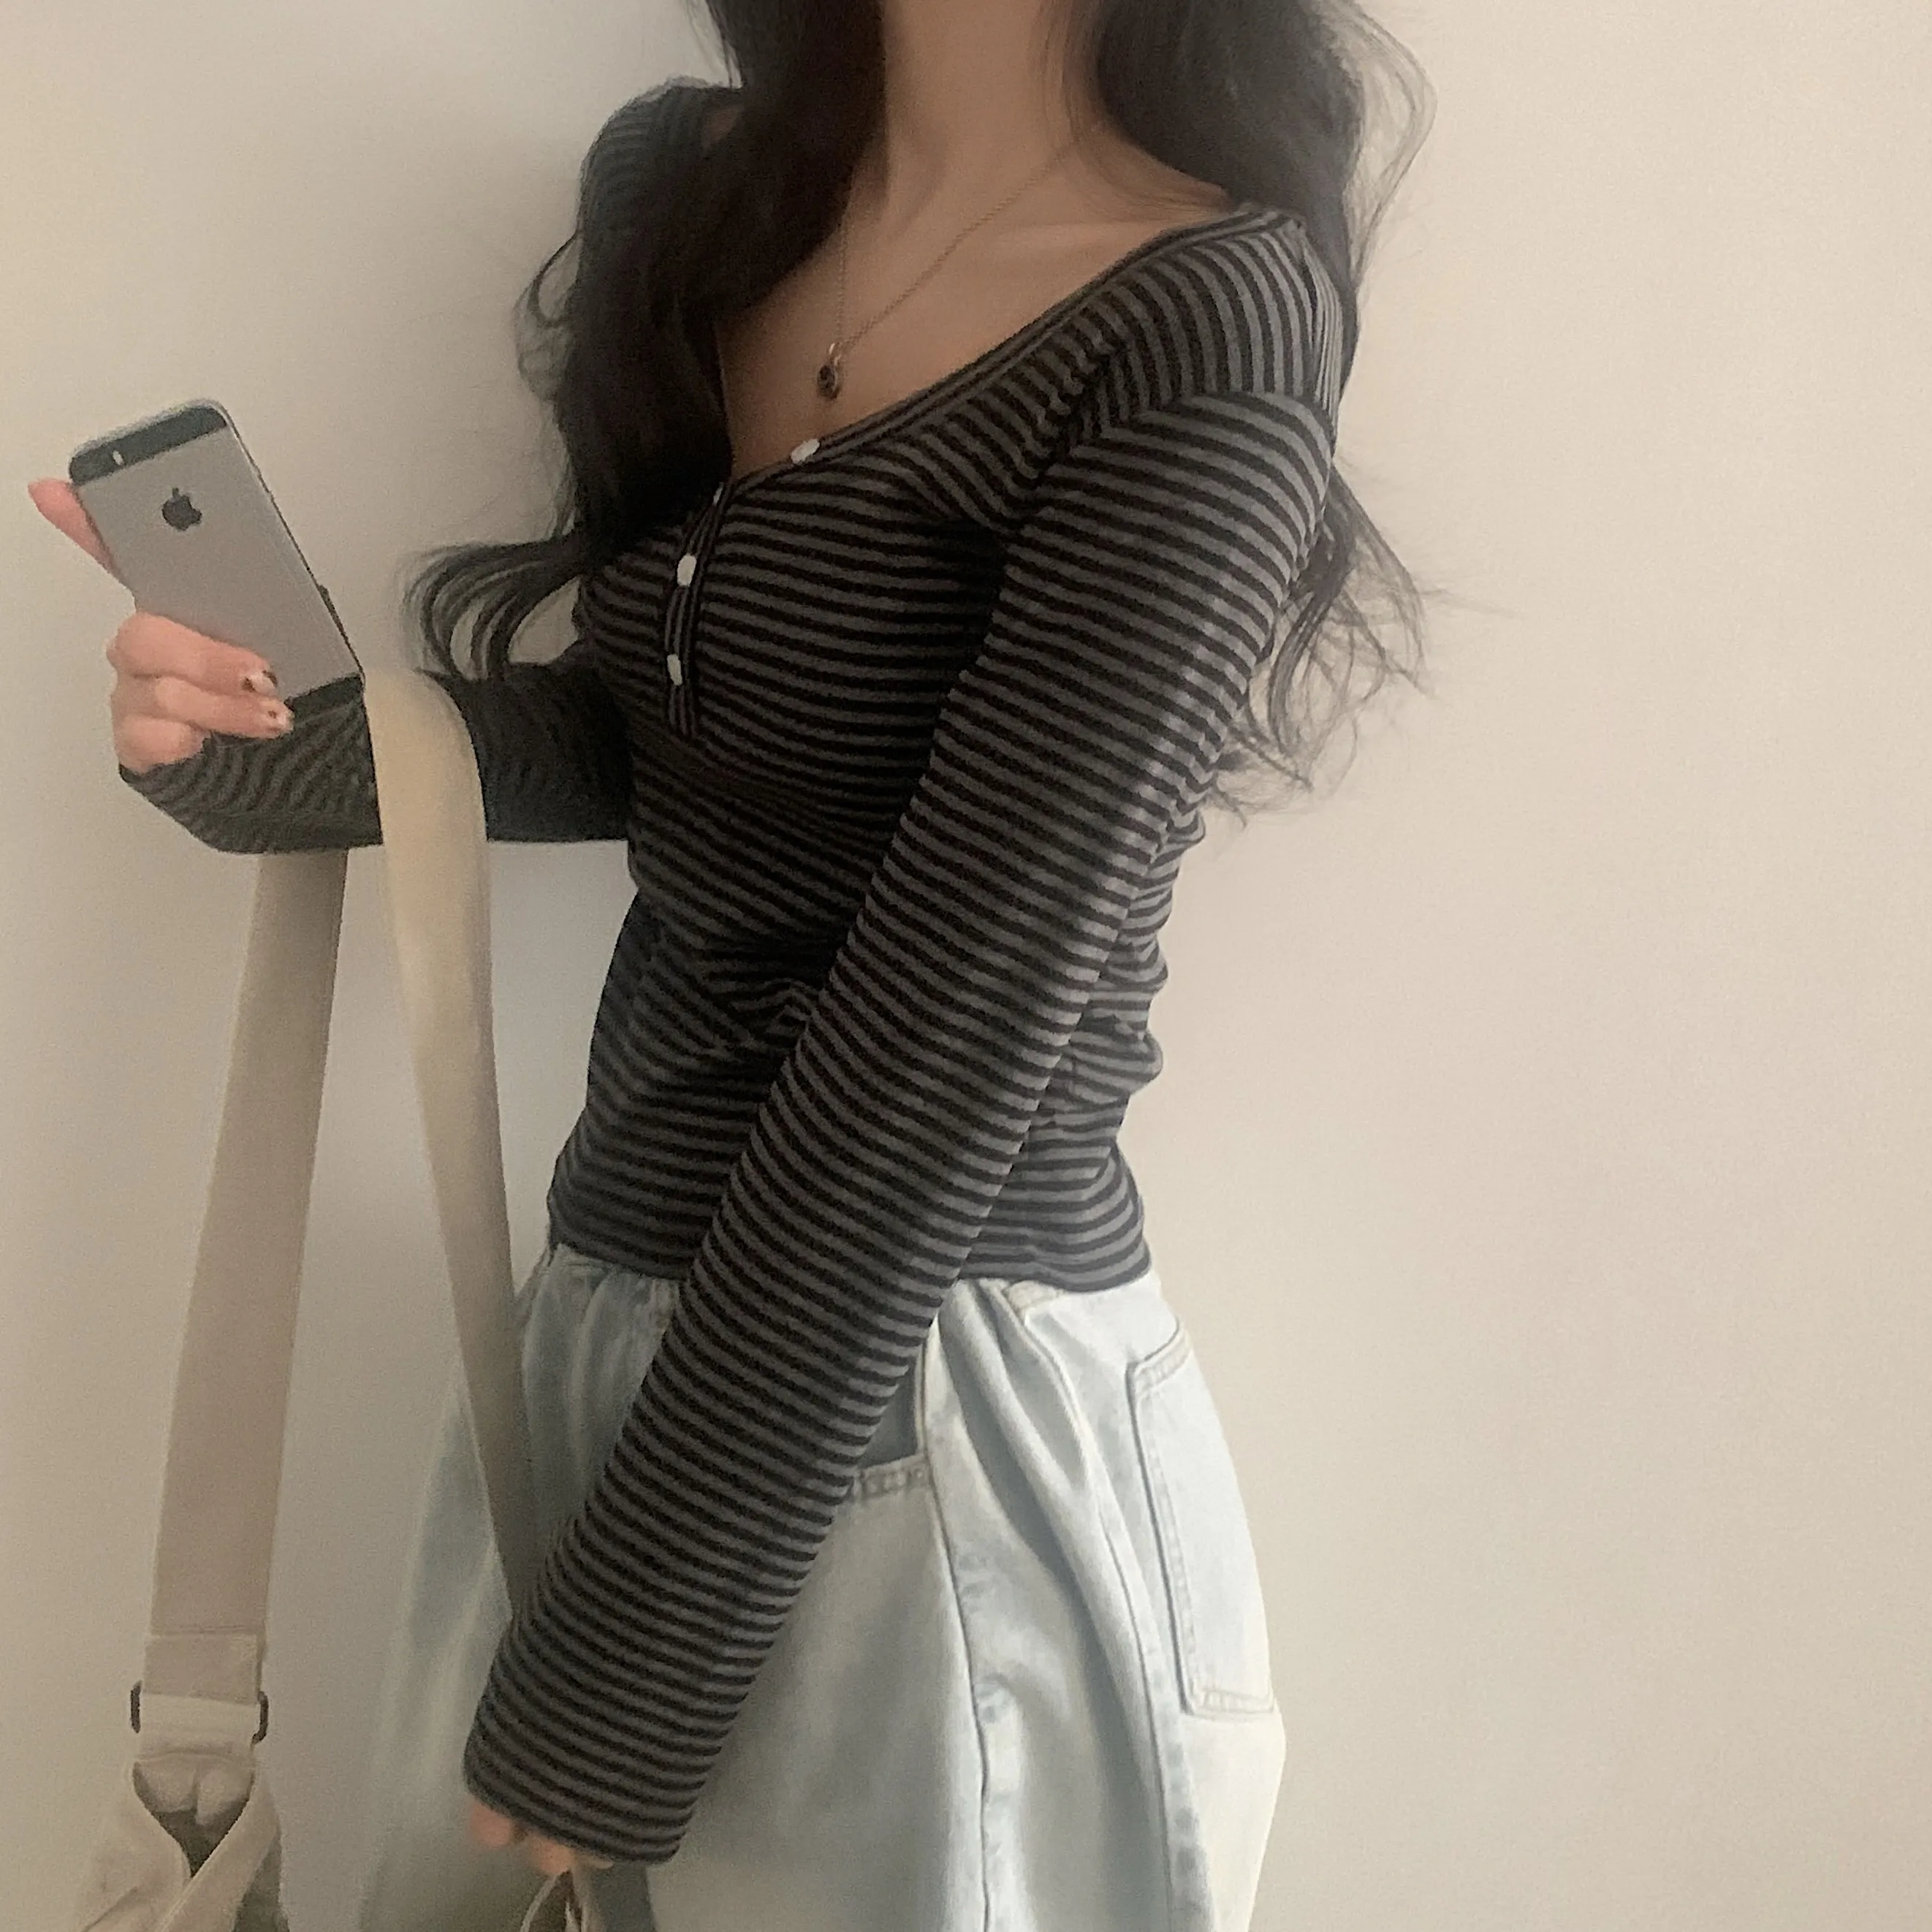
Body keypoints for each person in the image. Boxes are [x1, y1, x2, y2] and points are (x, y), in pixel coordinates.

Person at [32, 3, 1429, 1925]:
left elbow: (966, 1009)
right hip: (608, 1331)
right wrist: (282, 753)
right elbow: (673, 735)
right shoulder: (697, 196)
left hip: (931, 1401)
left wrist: (648, 1629)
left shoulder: (1210, 314)